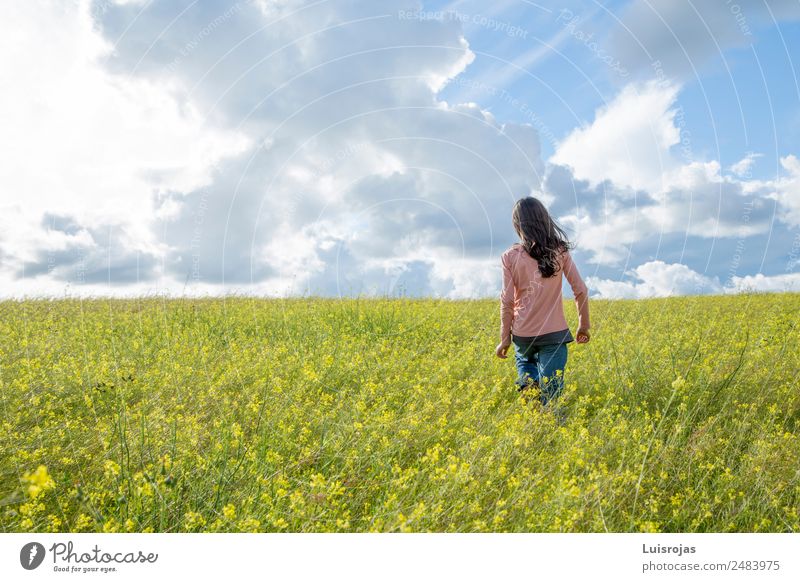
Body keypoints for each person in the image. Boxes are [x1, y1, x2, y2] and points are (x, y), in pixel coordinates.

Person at [495, 196, 590, 408]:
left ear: (518, 225)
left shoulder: (509, 256)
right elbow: (581, 290)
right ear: (544, 220)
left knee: (529, 383)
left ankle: (532, 411)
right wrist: (583, 326)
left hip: (522, 335)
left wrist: (504, 339)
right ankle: (550, 425)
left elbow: (507, 300)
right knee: (552, 395)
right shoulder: (560, 251)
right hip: (554, 336)